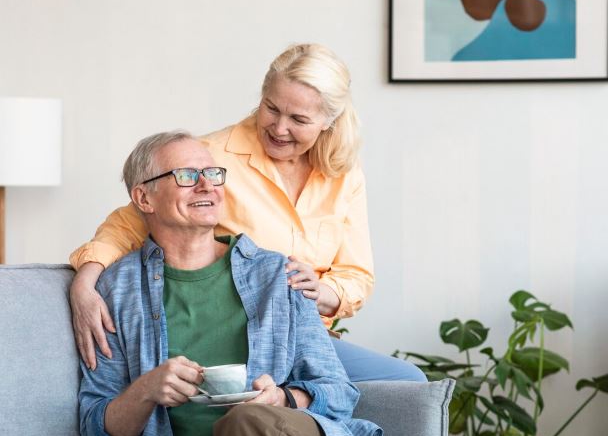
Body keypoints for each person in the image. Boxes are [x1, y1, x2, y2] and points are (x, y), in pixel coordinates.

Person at [78, 131, 383, 436]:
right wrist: (147, 390)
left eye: (213, 173)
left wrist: (282, 397)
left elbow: (338, 392)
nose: (207, 185)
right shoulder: (117, 291)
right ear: (144, 199)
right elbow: (99, 433)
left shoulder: (280, 275)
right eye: (186, 175)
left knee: (249, 422)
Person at [69, 43, 425, 382]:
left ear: (328, 122)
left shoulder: (343, 173)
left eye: (298, 119)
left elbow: (356, 275)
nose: (279, 127)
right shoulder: (210, 160)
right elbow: (127, 223)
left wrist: (321, 291)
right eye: (271, 108)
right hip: (242, 334)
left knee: (408, 382)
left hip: (307, 335)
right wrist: (84, 284)